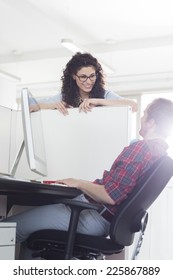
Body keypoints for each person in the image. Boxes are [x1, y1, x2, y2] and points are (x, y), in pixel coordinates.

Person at [3, 98, 173, 259]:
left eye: (144, 115)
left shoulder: (141, 149)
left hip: (90, 216)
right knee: (28, 233)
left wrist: (78, 182)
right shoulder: (159, 154)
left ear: (152, 123)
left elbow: (110, 196)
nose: (141, 118)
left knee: (8, 230)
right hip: (102, 219)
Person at [30, 52, 138, 115]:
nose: (88, 82)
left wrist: (97, 101)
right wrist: (53, 105)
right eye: (83, 77)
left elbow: (133, 106)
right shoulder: (64, 97)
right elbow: (31, 108)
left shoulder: (106, 95)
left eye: (92, 76)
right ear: (73, 76)